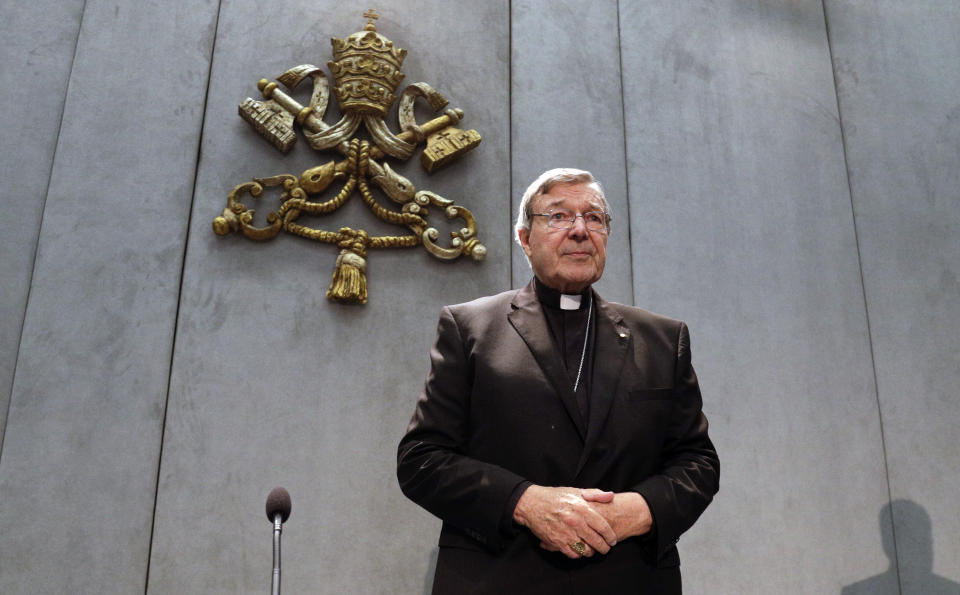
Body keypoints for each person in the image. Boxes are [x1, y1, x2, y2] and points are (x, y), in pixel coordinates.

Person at [397, 168, 719, 594]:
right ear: (525, 238)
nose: (580, 230)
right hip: (500, 579)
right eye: (559, 216)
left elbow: (698, 463)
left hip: (628, 578)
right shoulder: (471, 328)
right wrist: (523, 502)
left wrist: (639, 510)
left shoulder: (662, 339)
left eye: (594, 217)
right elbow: (421, 460)